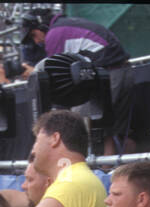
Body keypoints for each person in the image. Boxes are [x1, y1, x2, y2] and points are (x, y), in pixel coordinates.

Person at [41, 14, 134, 154]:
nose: (37, 42)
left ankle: (91, 169)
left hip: (105, 74)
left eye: (34, 36)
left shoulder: (53, 34)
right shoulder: (70, 24)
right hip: (123, 70)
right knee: (114, 130)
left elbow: (56, 75)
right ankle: (113, 169)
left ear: (38, 30)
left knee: (79, 128)